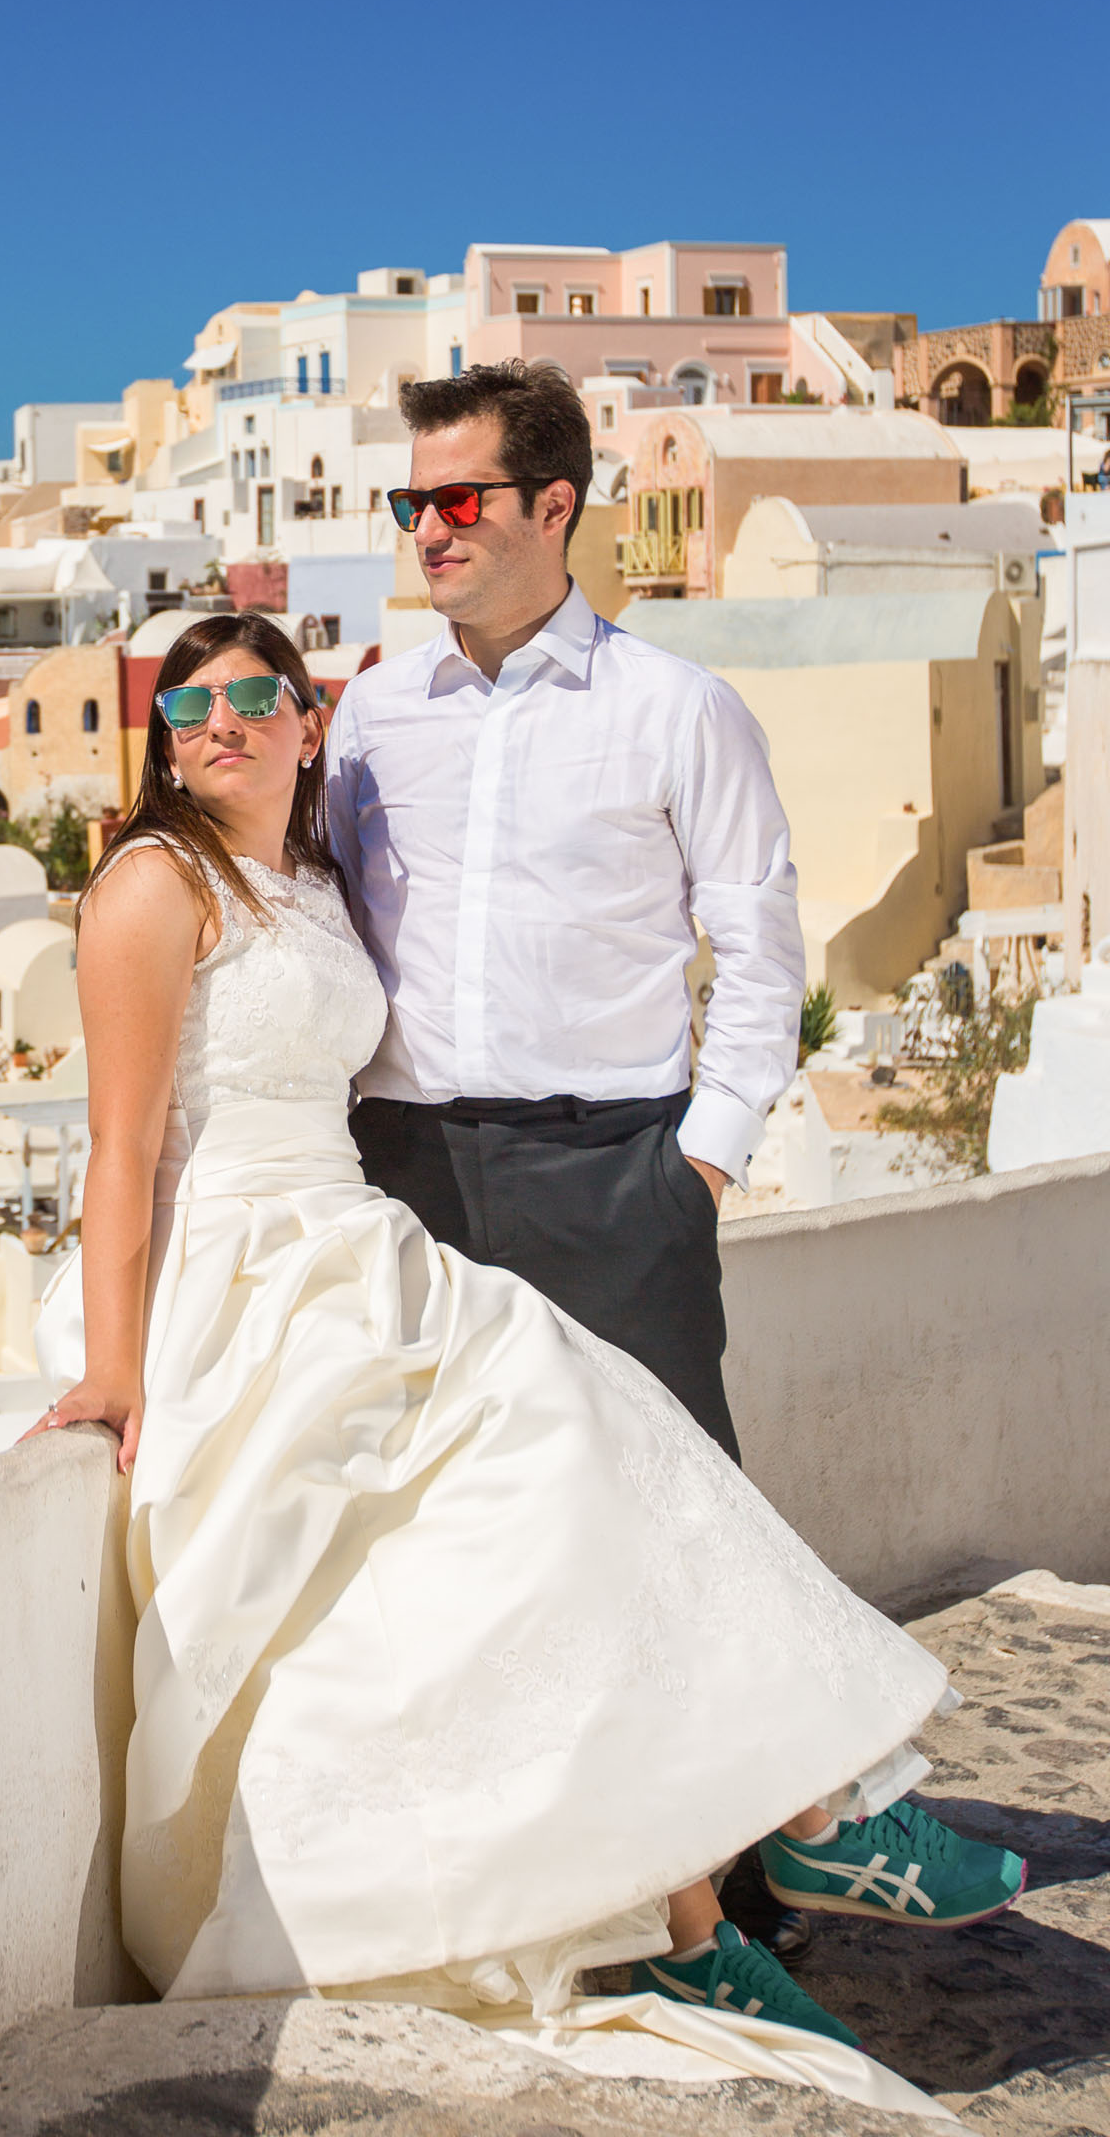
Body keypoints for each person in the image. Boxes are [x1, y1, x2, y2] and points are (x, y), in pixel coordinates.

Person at [27, 609, 1009, 2107]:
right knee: (564, 1457)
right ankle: (761, 1869)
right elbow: (120, 1150)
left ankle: (741, 1874)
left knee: (592, 1481)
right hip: (245, 1276)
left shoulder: (311, 878)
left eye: (252, 697)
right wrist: (114, 1372)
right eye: (188, 705)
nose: (218, 724)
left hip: (359, 1250)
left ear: (309, 722)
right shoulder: (154, 884)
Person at [325, 357, 1023, 1950]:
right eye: (411, 501)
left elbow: (760, 947)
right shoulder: (371, 714)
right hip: (407, 1180)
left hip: (613, 1176)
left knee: (676, 1532)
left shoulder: (674, 708)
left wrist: (697, 1166)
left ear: (553, 506)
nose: (428, 528)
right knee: (466, 1544)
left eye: (458, 499)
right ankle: (594, 1900)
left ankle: (764, 1879)